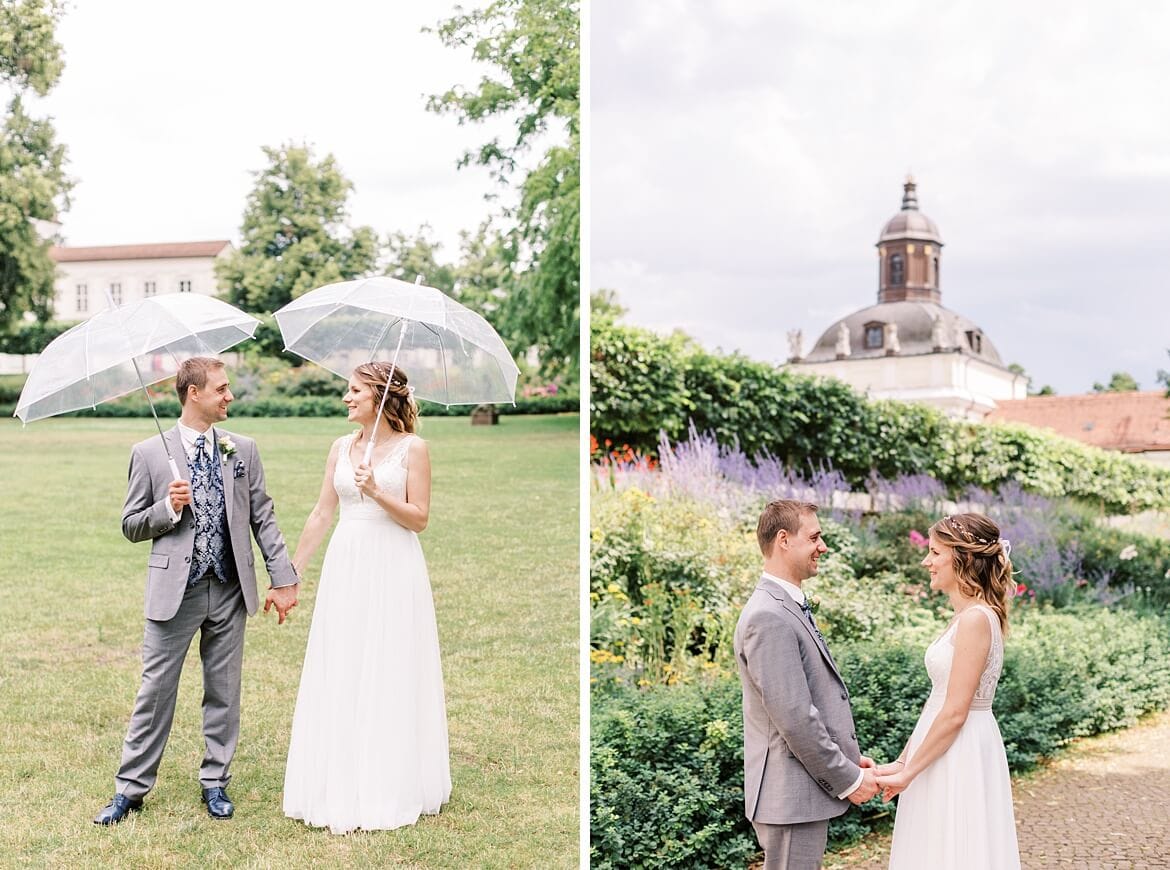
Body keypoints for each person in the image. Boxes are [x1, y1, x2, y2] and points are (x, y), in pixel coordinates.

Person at [95, 356, 299, 825]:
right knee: (156, 691)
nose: (230, 396)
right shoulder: (149, 453)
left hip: (230, 588)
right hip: (175, 592)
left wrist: (282, 575)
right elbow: (130, 525)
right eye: (221, 389)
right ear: (194, 394)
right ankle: (130, 790)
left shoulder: (241, 448)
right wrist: (167, 507)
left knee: (224, 692)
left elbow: (262, 516)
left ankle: (215, 783)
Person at [282, 362, 451, 834]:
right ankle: (341, 771)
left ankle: (388, 778)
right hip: (347, 561)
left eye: (354, 390)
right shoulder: (340, 447)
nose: (346, 398)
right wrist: (292, 570)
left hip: (394, 562)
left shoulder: (414, 449)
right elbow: (321, 512)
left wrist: (376, 491)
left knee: (388, 660)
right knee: (345, 660)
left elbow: (418, 519)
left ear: (379, 395)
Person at [733, 499, 879, 870]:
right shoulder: (769, 616)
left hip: (799, 792)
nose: (823, 546)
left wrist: (844, 756)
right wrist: (847, 778)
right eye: (815, 537)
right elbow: (795, 716)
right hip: (789, 796)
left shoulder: (785, 606)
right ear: (784, 539)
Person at [875, 513, 1021, 869]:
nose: (926, 561)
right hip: (941, 746)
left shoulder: (975, 620)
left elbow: (956, 710)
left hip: (960, 750)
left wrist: (909, 774)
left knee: (955, 849)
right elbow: (937, 698)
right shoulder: (965, 616)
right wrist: (903, 761)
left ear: (964, 558)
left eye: (935, 552)